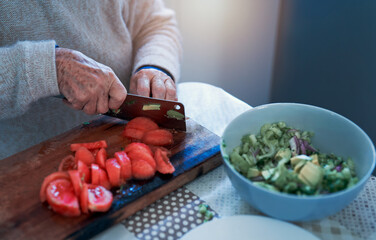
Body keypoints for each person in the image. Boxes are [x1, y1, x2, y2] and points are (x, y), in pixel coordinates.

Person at [0, 0, 182, 159]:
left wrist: (155, 65)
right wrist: (48, 68)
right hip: (26, 160)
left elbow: (155, 22)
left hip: (124, 137)